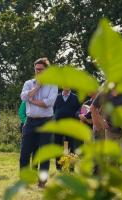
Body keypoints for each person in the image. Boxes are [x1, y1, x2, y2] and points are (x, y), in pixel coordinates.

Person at [20, 57, 58, 188]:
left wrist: (32, 100)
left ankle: (42, 182)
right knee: (25, 152)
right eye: (36, 69)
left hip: (46, 122)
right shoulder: (28, 83)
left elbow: (49, 103)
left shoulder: (53, 84)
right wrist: (37, 87)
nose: (38, 72)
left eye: (41, 70)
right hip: (30, 122)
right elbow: (23, 97)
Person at [53, 88, 81, 169]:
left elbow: (79, 109)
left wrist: (78, 116)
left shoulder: (75, 97)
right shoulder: (57, 97)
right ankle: (59, 166)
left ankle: (71, 167)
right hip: (58, 125)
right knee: (58, 145)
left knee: (71, 145)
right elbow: (53, 109)